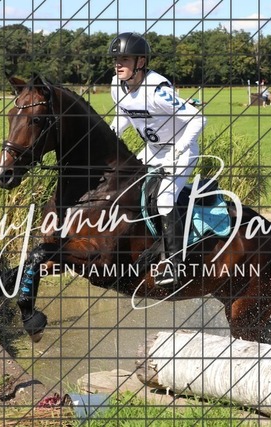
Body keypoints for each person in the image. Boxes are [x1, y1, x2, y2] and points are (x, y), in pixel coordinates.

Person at [108, 32, 206, 289]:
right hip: (152, 149)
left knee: (164, 199)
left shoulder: (158, 91)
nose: (118, 65)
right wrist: (108, 136)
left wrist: (179, 150)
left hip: (181, 149)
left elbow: (198, 118)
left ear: (140, 61)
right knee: (124, 187)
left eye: (124, 59)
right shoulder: (117, 86)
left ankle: (174, 262)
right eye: (116, 60)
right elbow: (124, 115)